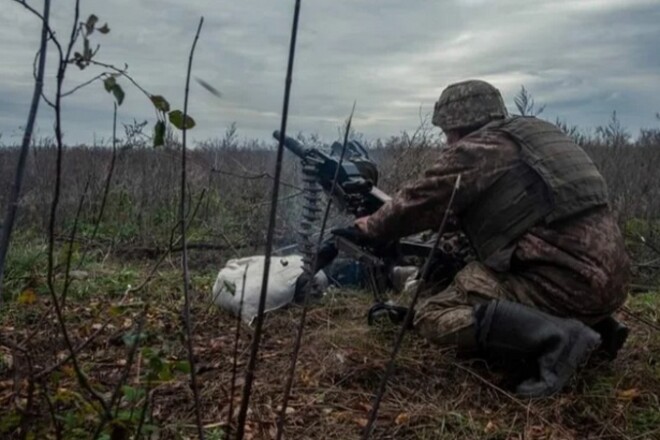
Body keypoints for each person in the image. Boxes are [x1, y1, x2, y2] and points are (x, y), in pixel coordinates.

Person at [339, 79, 631, 397]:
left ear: (457, 126)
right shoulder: (533, 137)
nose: (447, 143)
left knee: (431, 313)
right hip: (606, 281)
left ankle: (560, 338)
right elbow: (502, 211)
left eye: (446, 134)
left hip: (564, 282)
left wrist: (372, 226)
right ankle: (598, 328)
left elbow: (423, 197)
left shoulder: (482, 147)